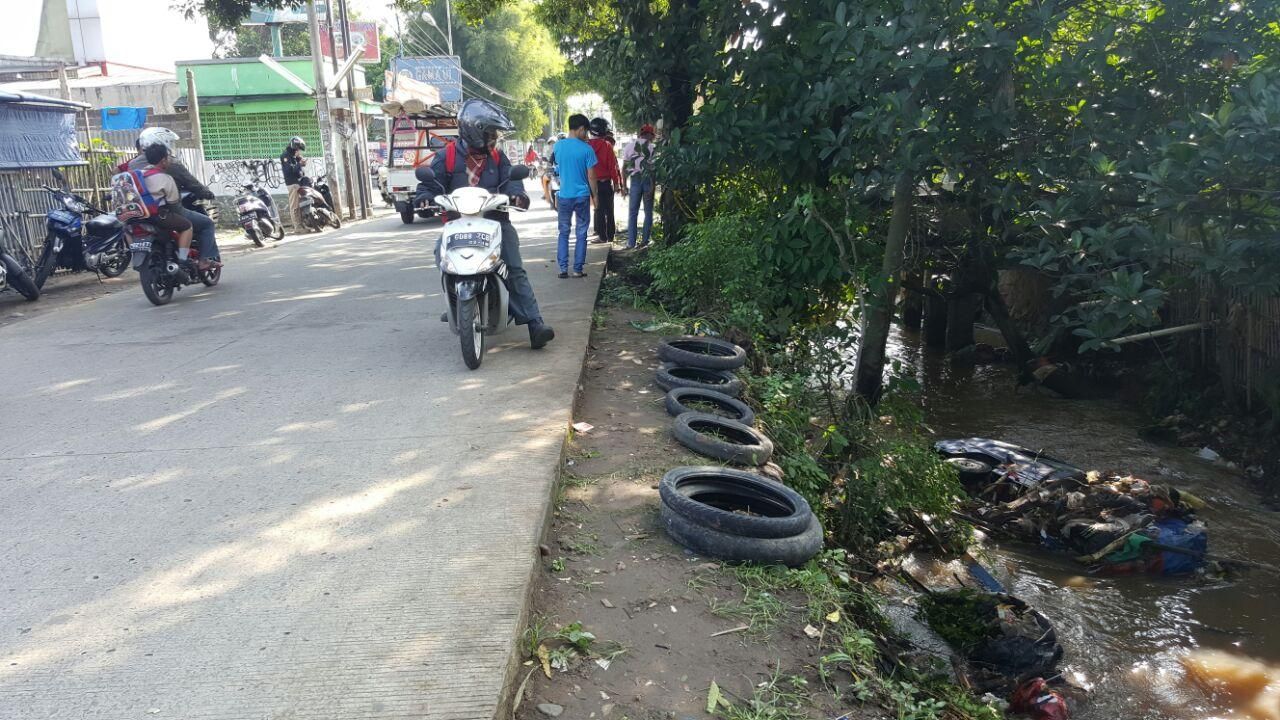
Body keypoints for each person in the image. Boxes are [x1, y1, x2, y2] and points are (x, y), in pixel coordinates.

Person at [418, 99, 555, 350]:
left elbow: (512, 181)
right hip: (459, 223)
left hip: (495, 221)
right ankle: (456, 303)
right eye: (491, 133)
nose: (494, 138)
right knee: (441, 255)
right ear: (475, 131)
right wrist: (425, 198)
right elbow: (429, 183)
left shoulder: (498, 157)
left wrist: (517, 195)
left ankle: (535, 324)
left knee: (513, 267)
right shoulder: (446, 157)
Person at [126, 127, 220, 268]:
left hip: (138, 212)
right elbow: (190, 185)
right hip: (163, 210)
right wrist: (207, 194)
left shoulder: (132, 165)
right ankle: (201, 260)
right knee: (205, 224)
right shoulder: (169, 166)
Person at [138, 144, 195, 268]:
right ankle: (183, 259)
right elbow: (173, 202)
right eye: (168, 158)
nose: (169, 160)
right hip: (157, 215)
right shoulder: (165, 178)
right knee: (187, 226)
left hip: (137, 216)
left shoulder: (137, 174)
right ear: (163, 160)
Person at [554, 115, 598, 278]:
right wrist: (596, 197)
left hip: (564, 195)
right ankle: (578, 269)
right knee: (581, 232)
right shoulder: (587, 149)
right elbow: (592, 176)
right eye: (585, 131)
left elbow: (559, 167)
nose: (586, 134)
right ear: (580, 129)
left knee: (563, 232)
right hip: (582, 196)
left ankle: (563, 269)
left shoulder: (558, 146)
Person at [586, 117, 621, 244]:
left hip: (593, 184)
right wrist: (616, 183)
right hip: (607, 183)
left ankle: (602, 236)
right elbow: (613, 167)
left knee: (598, 209)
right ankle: (611, 235)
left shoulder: (586, 146)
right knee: (610, 210)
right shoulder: (607, 146)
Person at [622, 124, 657, 248]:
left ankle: (631, 243)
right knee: (648, 212)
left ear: (640, 134)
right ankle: (645, 241)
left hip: (635, 180)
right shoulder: (652, 148)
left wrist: (624, 185)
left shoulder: (629, 147)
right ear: (650, 135)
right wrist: (653, 186)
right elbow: (653, 170)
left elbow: (624, 168)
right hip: (648, 180)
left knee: (633, 212)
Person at [280, 136, 307, 232]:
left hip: (298, 182)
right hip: (292, 183)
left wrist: (301, 163)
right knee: (294, 205)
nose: (299, 151)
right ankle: (297, 227)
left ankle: (302, 224)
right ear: (294, 147)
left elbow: (298, 170)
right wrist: (299, 164)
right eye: (298, 149)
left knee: (301, 205)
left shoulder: (294, 156)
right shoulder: (285, 156)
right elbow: (289, 170)